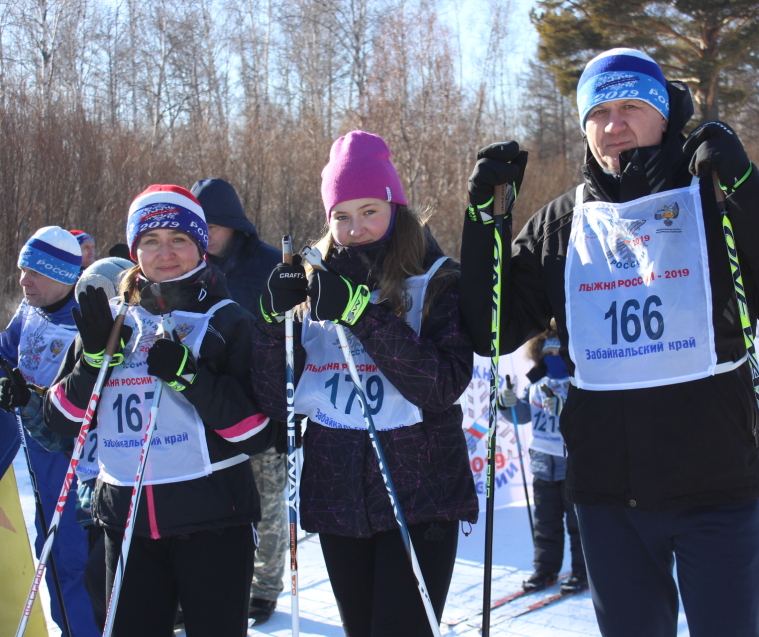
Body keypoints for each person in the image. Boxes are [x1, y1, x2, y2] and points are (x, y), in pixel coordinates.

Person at [459, 48, 759, 637]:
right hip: (610, 498)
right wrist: (485, 220)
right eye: (599, 111)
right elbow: (489, 327)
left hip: (718, 489)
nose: (614, 124)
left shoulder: (716, 200)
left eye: (631, 104)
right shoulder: (563, 224)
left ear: (662, 113)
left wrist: (747, 186)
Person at [252, 130, 478, 637]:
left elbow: (440, 385)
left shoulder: (437, 279)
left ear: (394, 207)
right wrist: (272, 321)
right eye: (341, 216)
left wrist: (362, 313)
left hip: (421, 498)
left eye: (369, 211)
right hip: (338, 498)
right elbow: (276, 398)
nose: (355, 228)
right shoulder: (311, 280)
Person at [43, 185, 284, 637]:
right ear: (135, 250)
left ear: (200, 246)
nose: (165, 252)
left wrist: (191, 379)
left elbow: (258, 433)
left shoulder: (228, 320)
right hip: (125, 522)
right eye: (151, 240)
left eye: (179, 239)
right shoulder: (110, 323)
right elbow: (61, 421)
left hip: (213, 522)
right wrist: (92, 363)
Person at [1, 257, 134, 631]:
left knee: (122, 596)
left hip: (143, 501)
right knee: (78, 576)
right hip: (89, 498)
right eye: (89, 304)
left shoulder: (149, 348)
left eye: (109, 303)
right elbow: (59, 431)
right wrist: (25, 400)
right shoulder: (83, 353)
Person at [190, 177, 286, 625]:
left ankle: (264, 588)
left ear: (232, 224)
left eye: (211, 225)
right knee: (209, 500)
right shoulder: (188, 269)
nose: (204, 236)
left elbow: (296, 338)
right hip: (204, 405)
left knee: (267, 500)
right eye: (198, 226)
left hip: (261, 403)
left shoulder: (269, 265)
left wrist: (288, 412)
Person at [0, 226, 99, 636]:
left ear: (62, 275)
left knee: (72, 560)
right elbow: (5, 351)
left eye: (34, 273)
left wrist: (29, 395)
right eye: (23, 271)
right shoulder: (30, 311)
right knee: (51, 555)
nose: (24, 281)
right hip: (38, 462)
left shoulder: (81, 322)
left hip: (72, 460)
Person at [497, 325, 586, 595]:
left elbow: (590, 421)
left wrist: (566, 412)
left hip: (572, 464)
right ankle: (545, 569)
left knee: (578, 524)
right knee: (545, 523)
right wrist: (507, 402)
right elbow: (522, 416)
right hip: (542, 464)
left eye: (559, 352)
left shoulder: (577, 381)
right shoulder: (536, 384)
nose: (553, 357)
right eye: (548, 352)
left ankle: (584, 570)